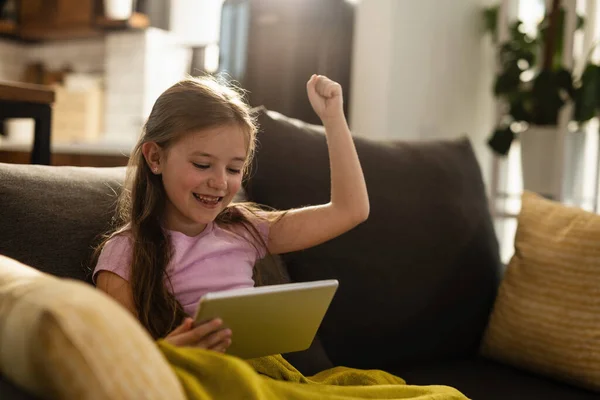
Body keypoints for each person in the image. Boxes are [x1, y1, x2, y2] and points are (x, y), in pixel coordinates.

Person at [93, 73, 370, 352]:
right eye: (203, 164)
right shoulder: (125, 252)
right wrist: (174, 352)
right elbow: (120, 363)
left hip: (261, 374)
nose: (220, 183)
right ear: (155, 158)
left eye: (234, 169)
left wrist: (333, 118)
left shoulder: (244, 229)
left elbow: (351, 210)